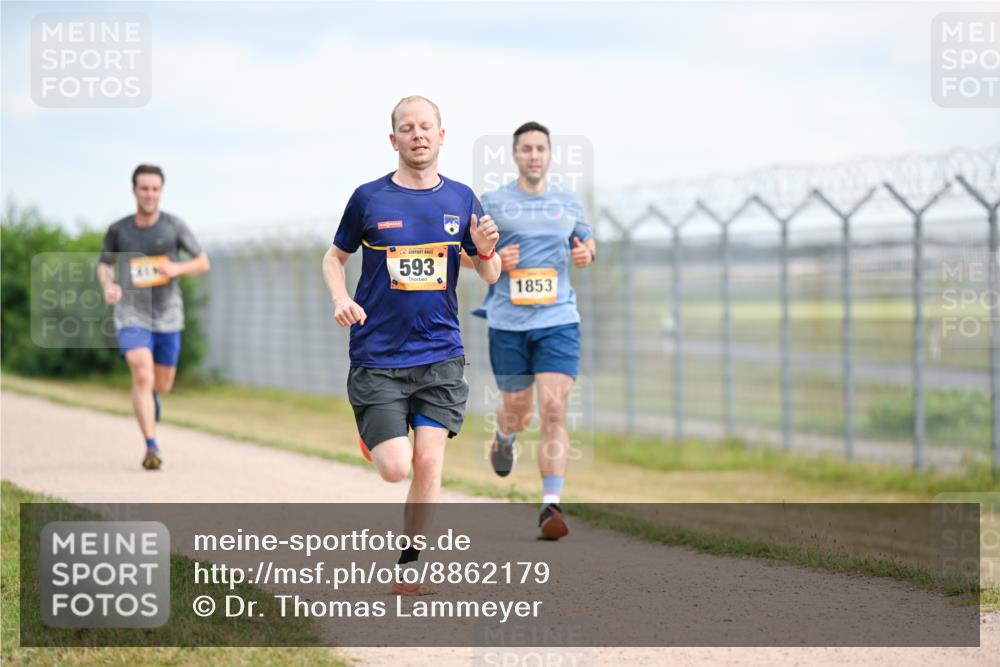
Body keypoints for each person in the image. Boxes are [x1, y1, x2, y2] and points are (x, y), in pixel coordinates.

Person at [322, 96, 500, 594]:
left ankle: (411, 563)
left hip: (440, 353)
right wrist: (340, 298)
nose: (417, 134)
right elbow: (333, 258)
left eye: (426, 127)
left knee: (428, 462)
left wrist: (486, 250)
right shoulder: (369, 199)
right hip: (377, 355)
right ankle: (373, 432)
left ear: (442, 136)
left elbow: (489, 271)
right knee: (394, 468)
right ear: (393, 139)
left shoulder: (463, 199)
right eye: (407, 127)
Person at [475, 122, 596, 540]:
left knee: (555, 407)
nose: (533, 155)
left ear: (549, 154)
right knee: (519, 409)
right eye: (525, 149)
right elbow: (473, 254)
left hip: (558, 320)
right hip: (508, 322)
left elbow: (587, 242)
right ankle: (504, 436)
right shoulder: (493, 202)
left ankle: (551, 507)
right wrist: (493, 259)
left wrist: (585, 254)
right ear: (514, 155)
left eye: (540, 149)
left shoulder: (567, 201)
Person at [98, 164, 211, 470]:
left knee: (161, 384)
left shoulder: (174, 226)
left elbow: (202, 262)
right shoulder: (119, 229)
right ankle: (151, 445)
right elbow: (104, 264)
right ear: (134, 190)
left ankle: (151, 399)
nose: (149, 194)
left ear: (161, 191)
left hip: (168, 315)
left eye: (154, 189)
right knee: (142, 374)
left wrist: (177, 268)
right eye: (144, 188)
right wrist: (108, 286)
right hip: (131, 312)